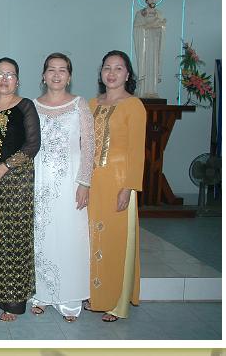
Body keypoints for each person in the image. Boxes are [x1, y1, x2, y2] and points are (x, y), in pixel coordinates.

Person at [30, 53, 94, 322]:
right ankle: (42, 295)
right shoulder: (32, 106)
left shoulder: (80, 105)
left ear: (69, 76)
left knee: (70, 236)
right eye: (51, 70)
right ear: (43, 75)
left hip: (70, 183)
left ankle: (70, 297)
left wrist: (84, 182)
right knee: (41, 237)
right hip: (40, 182)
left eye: (62, 70)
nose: (56, 75)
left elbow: (89, 145)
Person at [84, 50, 146, 322]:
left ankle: (116, 303)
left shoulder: (134, 106)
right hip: (92, 181)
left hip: (119, 182)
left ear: (127, 74)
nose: (112, 73)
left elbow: (137, 151)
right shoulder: (91, 104)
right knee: (91, 238)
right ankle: (95, 295)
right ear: (101, 72)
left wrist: (128, 187)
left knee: (116, 241)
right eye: (107, 67)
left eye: (118, 68)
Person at [0, 57, 40, 322]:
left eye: (10, 74)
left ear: (17, 81)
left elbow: (33, 144)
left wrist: (4, 166)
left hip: (17, 181)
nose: (4, 79)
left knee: (14, 239)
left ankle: (13, 301)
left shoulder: (25, 106)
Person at [133, 0, 166, 99]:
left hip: (155, 43)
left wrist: (160, 27)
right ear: (146, 0)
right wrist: (149, 26)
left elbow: (162, 28)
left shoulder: (159, 13)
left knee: (154, 65)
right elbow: (137, 28)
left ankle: (153, 91)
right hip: (145, 44)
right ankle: (144, 91)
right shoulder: (140, 13)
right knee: (146, 65)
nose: (153, 1)